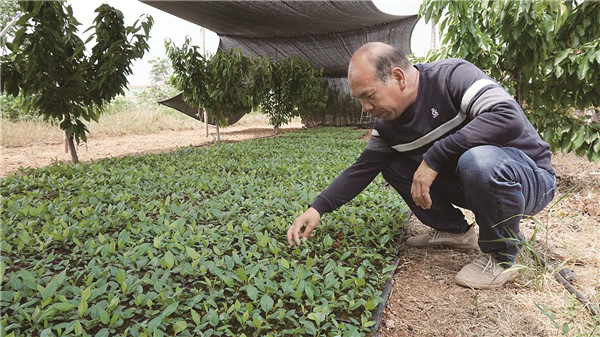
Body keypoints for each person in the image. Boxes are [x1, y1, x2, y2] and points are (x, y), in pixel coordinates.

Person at [286, 42, 556, 289]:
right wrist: (317, 207)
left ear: (398, 77)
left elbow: (507, 117)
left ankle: (501, 257)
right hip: (473, 182)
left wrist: (435, 156)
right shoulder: (388, 126)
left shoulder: (452, 77)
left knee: (477, 159)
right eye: (360, 100)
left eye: (369, 96)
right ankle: (454, 231)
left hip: (528, 178)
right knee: (390, 163)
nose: (365, 108)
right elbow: (362, 169)